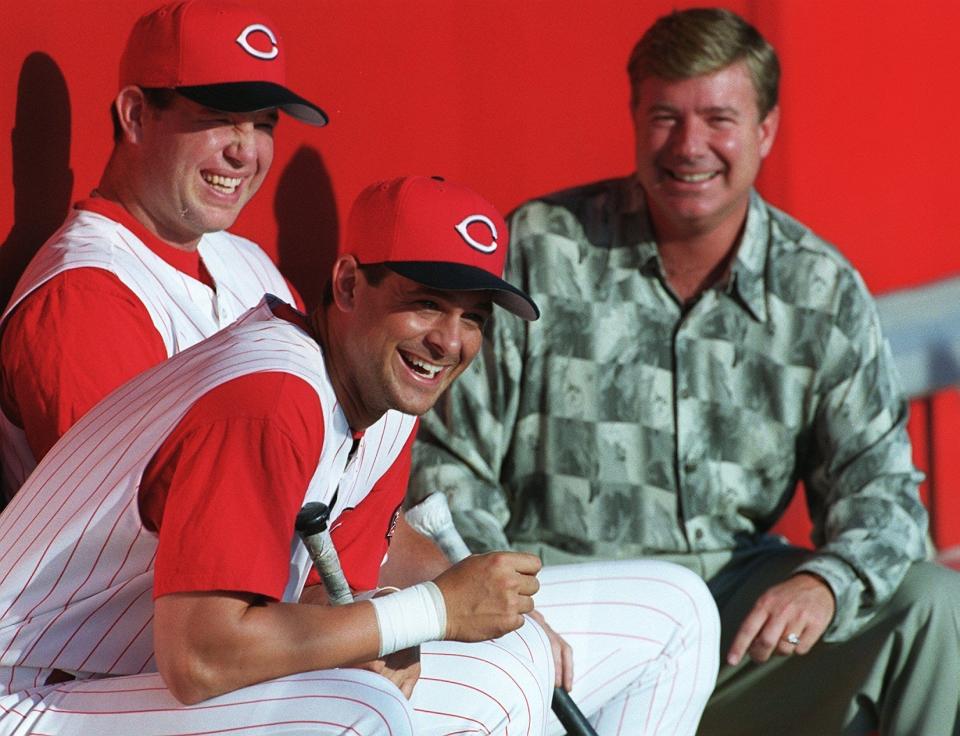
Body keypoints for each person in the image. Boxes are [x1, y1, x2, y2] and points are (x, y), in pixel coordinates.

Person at [409, 8, 960, 735]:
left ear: (765, 129)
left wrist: (828, 583)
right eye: (666, 117)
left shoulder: (818, 290)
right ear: (634, 117)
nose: (689, 146)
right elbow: (449, 464)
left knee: (931, 607)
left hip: (739, 628)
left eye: (718, 119)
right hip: (568, 613)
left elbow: (881, 491)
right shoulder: (542, 253)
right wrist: (509, 605)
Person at [0, 176, 561, 735]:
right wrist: (429, 610)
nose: (449, 341)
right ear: (346, 285)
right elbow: (201, 658)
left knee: (503, 677)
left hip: (114, 680)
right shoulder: (272, 398)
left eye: (474, 318)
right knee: (362, 712)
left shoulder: (382, 395)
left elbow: (329, 589)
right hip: (29, 689)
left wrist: (380, 631)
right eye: (427, 304)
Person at [0, 0, 326, 502]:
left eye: (263, 124)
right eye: (220, 117)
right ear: (135, 115)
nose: (246, 151)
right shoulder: (85, 299)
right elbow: (153, 536)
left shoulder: (249, 263)